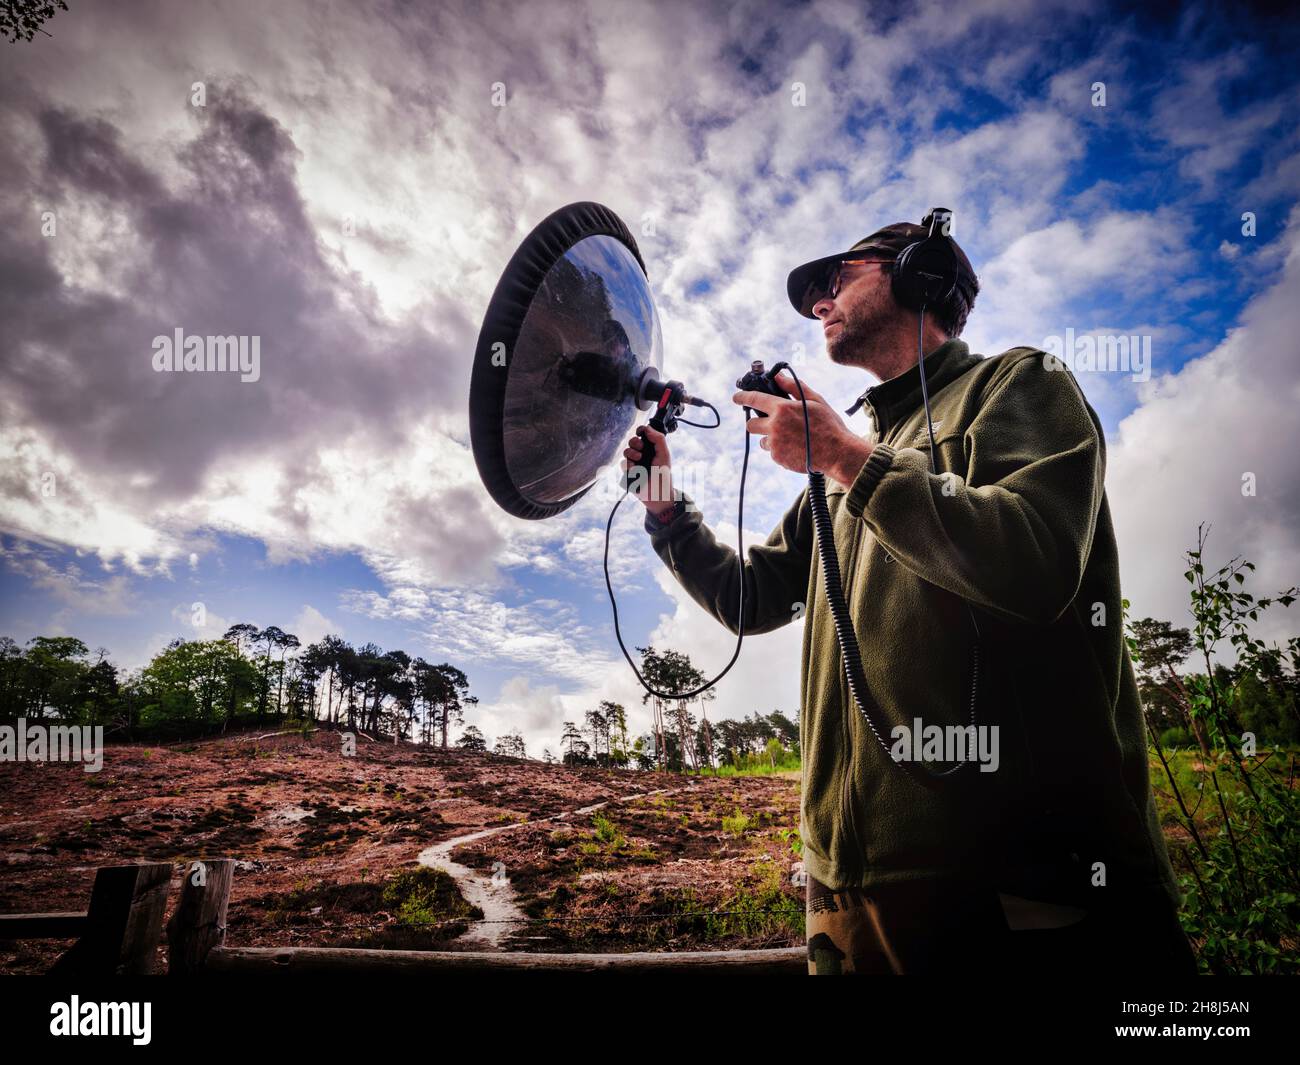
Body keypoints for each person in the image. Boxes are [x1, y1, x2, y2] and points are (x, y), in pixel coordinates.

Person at [621, 215, 1199, 976]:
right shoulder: (847, 473)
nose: (819, 302)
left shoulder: (1019, 384)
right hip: (846, 892)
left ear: (919, 271)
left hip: (1020, 885)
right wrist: (664, 504)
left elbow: (1036, 560)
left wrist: (842, 456)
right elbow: (751, 596)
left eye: (836, 279)